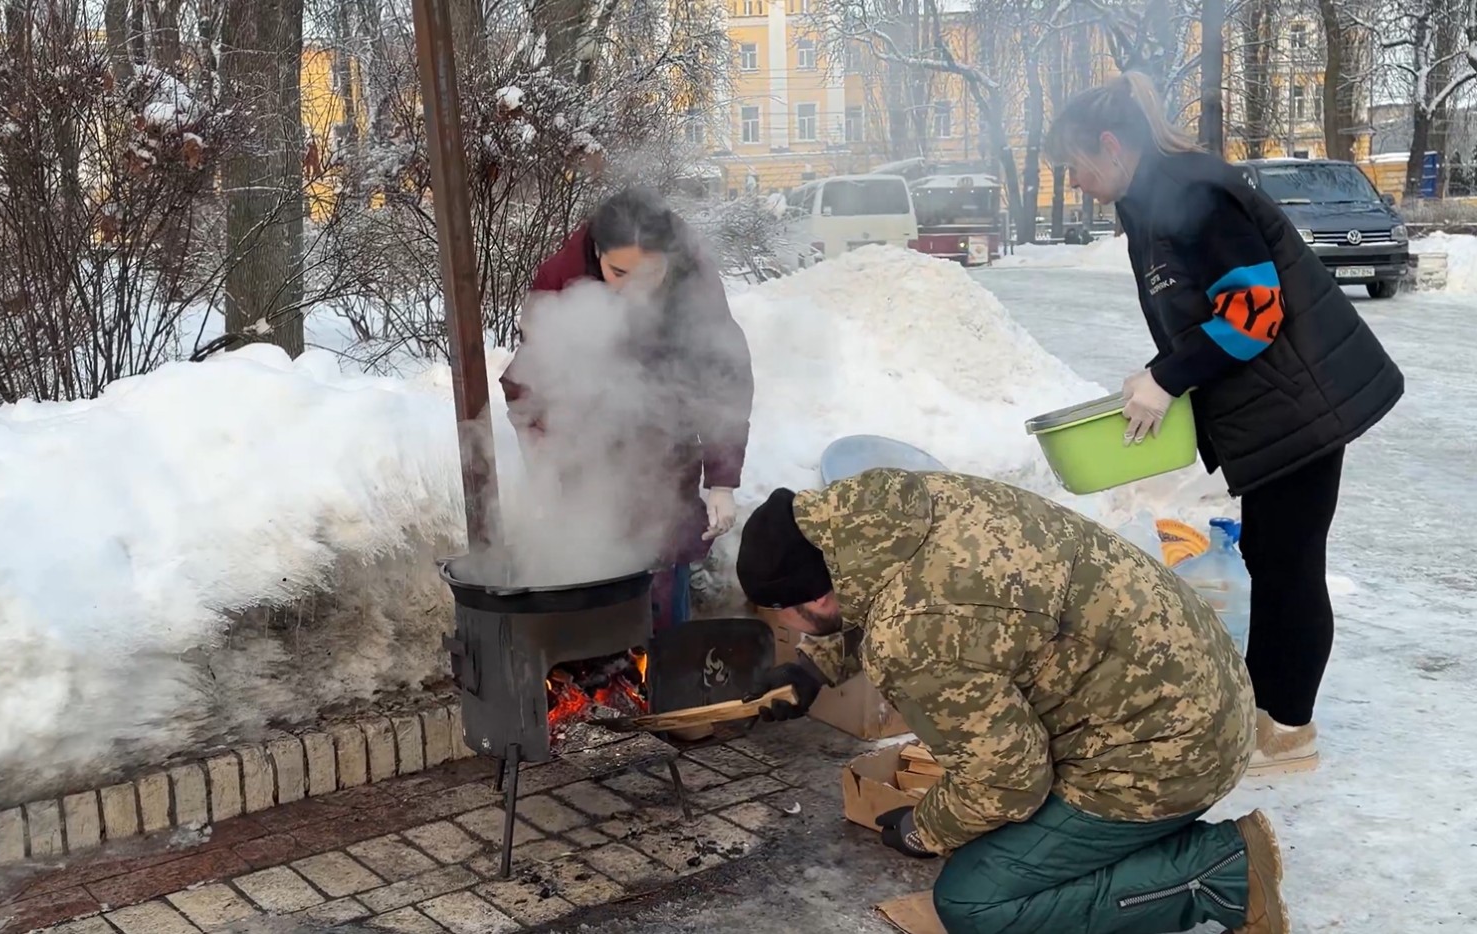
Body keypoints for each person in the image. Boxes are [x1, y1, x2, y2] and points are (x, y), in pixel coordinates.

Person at [737, 469, 1284, 934]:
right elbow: (926, 602)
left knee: (975, 900)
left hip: (1169, 753)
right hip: (1202, 681)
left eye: (780, 612)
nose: (781, 625)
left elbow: (1008, 782)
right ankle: (1139, 847)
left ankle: (1222, 874)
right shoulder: (903, 508)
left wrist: (925, 829)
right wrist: (814, 667)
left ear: (819, 596)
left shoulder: (911, 637)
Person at [1047, 74, 1404, 776]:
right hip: (1280, 407)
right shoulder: (1152, 201)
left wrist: (1170, 378)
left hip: (1301, 405)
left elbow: (1255, 312)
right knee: (1274, 559)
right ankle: (1266, 710)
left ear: (1112, 147)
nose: (1074, 182)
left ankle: (1289, 733)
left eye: (1075, 165)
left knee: (1290, 565)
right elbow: (1205, 311)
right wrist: (1160, 369)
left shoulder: (1193, 196)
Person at [501, 188, 753, 629]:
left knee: (664, 543)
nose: (632, 287)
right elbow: (529, 381)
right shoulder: (562, 276)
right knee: (590, 542)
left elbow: (723, 374)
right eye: (619, 273)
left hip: (666, 438)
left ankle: (665, 657)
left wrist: (722, 481)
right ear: (597, 253)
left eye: (648, 274)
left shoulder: (693, 278)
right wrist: (543, 462)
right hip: (586, 441)